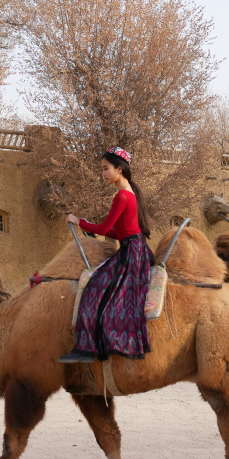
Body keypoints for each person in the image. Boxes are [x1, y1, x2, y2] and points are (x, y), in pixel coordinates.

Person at [58, 147, 155, 364]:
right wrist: (88, 226)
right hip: (135, 249)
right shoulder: (130, 192)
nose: (103, 173)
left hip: (131, 254)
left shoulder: (122, 196)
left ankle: (87, 349)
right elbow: (119, 232)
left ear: (119, 169)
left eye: (106, 169)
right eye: (102, 169)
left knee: (93, 288)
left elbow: (103, 229)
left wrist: (78, 221)